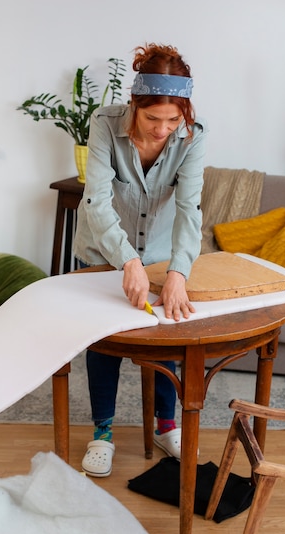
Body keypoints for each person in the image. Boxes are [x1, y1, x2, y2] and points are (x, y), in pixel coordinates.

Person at [73, 43, 208, 477]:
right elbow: (95, 200)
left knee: (165, 334)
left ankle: (165, 426)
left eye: (173, 119)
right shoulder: (103, 124)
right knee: (104, 342)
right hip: (102, 253)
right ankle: (104, 433)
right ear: (134, 104)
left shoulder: (193, 136)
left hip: (161, 256)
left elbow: (190, 210)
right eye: (153, 118)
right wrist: (127, 262)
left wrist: (178, 272)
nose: (163, 129)